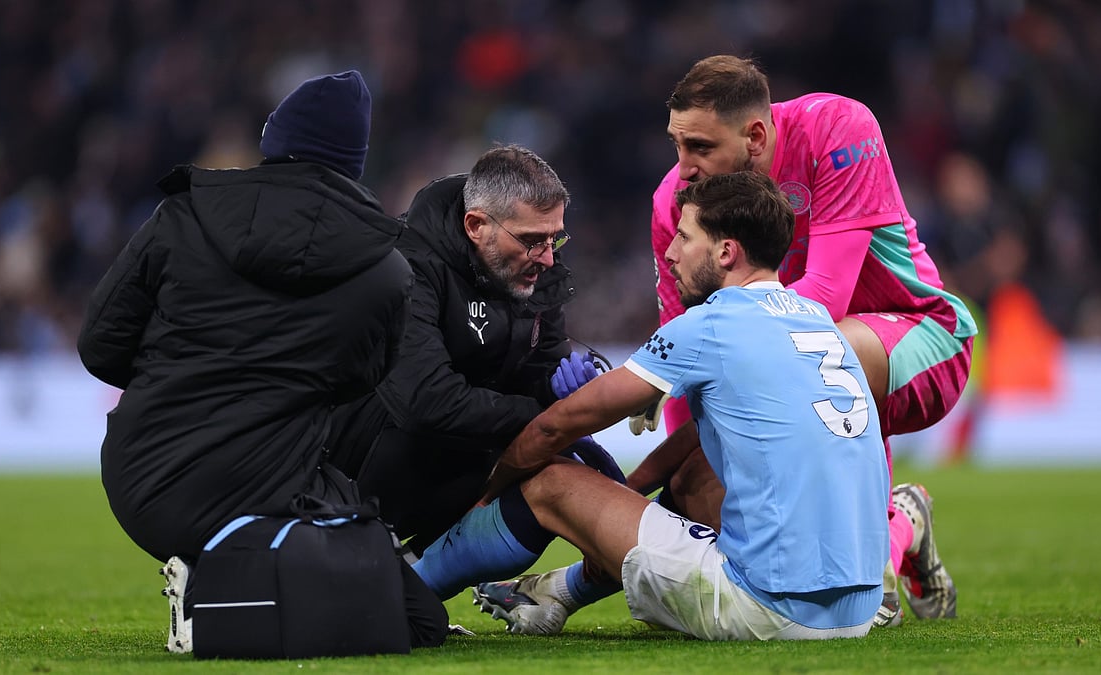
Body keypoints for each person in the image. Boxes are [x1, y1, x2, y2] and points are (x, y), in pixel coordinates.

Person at [410, 171, 890, 641]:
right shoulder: (819, 320)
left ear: (726, 252)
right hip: (860, 610)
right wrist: (626, 498)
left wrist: (488, 493)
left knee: (548, 480)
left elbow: (555, 429)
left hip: (771, 608)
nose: (671, 252)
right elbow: (695, 439)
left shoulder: (709, 325)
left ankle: (407, 587)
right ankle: (558, 592)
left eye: (684, 237)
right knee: (694, 479)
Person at [77, 69, 447, 653]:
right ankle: (216, 599)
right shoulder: (387, 271)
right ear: (354, 158)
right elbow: (365, 383)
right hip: (271, 484)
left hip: (143, 475)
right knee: (418, 624)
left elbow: (99, 346)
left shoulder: (182, 216)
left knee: (409, 616)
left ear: (274, 139)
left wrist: (177, 375)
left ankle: (210, 579)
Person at [635, 54, 974, 625]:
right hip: (803, 359)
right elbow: (692, 359)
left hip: (920, 332)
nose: (683, 167)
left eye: (699, 147)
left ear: (757, 136)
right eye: (677, 145)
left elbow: (825, 299)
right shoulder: (675, 203)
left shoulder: (837, 128)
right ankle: (900, 523)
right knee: (719, 473)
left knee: (816, 351)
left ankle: (884, 537)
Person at [325, 143, 623, 558]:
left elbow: (538, 368)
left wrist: (561, 392)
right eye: (534, 240)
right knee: (538, 456)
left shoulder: (529, 266)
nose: (549, 258)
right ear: (475, 225)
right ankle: (382, 560)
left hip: (450, 460)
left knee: (562, 469)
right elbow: (426, 401)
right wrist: (550, 422)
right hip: (362, 467)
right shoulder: (403, 269)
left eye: (556, 237)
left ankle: (412, 570)